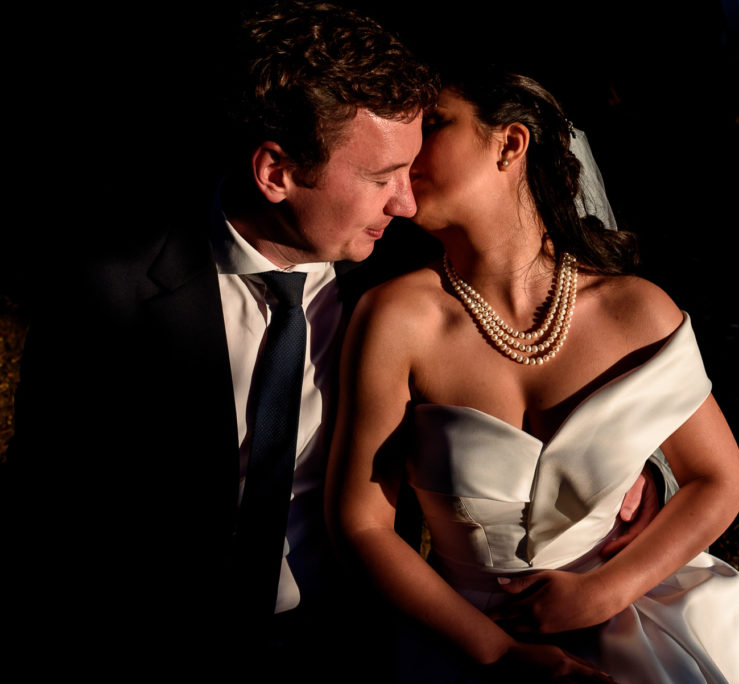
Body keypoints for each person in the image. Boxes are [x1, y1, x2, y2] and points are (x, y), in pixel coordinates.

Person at [329, 72, 739, 682]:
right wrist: (500, 653)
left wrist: (605, 592)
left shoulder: (637, 310)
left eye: (434, 124)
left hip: (639, 609)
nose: (408, 151)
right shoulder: (394, 318)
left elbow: (717, 478)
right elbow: (361, 523)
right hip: (466, 636)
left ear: (510, 144)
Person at [4, 2, 434, 670]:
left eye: (410, 172)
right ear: (277, 173)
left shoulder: (409, 285)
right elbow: (51, 516)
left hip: (352, 644)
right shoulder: (112, 290)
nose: (407, 204)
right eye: (382, 179)